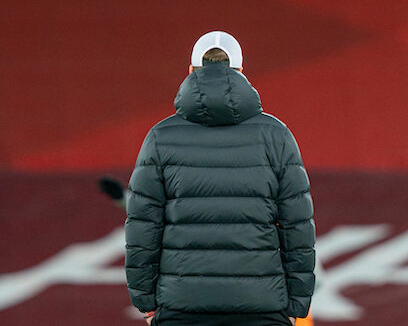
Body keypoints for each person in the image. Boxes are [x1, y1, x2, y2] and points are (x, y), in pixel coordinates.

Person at [125, 31, 316, 326]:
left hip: (181, 306)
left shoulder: (160, 138)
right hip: (261, 306)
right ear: (240, 71)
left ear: (191, 71)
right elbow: (297, 227)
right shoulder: (277, 136)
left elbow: (143, 227)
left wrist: (146, 303)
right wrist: (297, 304)